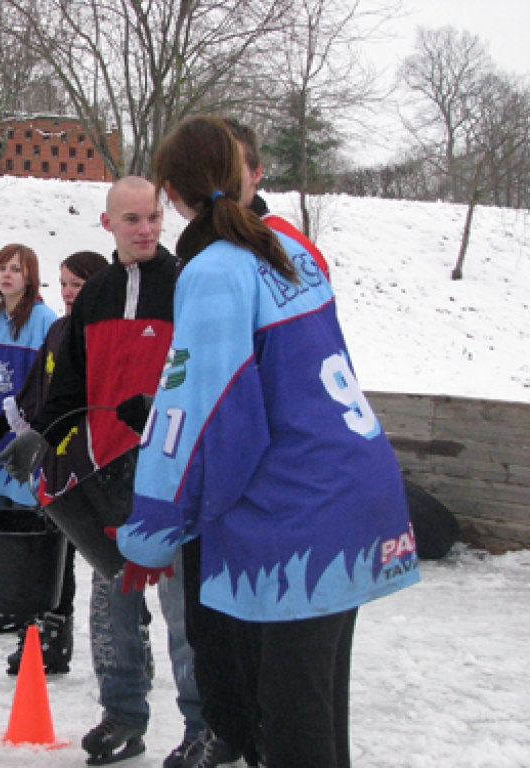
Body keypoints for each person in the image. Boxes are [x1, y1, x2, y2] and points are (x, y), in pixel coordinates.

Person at [116, 115, 420, 768]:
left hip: (302, 516)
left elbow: (208, 421)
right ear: (242, 175)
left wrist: (152, 530)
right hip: (356, 492)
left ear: (171, 193)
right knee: (313, 712)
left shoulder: (217, 272)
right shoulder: (287, 248)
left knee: (293, 731)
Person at [0, 176, 204, 766]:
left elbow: (206, 375)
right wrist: (43, 435)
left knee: (182, 607)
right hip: (103, 478)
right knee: (113, 600)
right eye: (132, 220)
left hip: (175, 474)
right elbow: (68, 389)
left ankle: (201, 723)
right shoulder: (93, 297)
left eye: (154, 219)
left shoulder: (187, 284)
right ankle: (122, 715)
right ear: (107, 224)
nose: (145, 230)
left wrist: (167, 410)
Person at [0, 250, 110, 676]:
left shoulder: (105, 334)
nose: (69, 293)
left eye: (79, 285)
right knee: (56, 550)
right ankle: (50, 634)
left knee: (110, 562)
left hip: (101, 461)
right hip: (57, 457)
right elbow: (35, 391)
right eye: (65, 283)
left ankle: (127, 647)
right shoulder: (60, 331)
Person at [0, 243, 57, 635]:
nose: (7, 275)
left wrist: (31, 429)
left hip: (22, 431)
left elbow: (45, 383)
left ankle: (31, 606)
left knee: (27, 516)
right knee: (1, 511)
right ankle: (7, 602)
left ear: (30, 276)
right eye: (2, 267)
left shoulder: (43, 320)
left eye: (16, 269)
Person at [223, 117, 330, 280]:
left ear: (256, 174)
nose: (216, 179)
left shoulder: (291, 246)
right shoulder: (195, 245)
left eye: (229, 167)